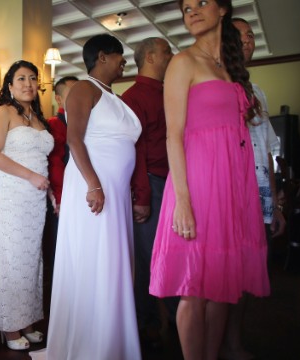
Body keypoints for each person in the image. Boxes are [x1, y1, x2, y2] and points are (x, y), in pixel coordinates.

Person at [149, 1, 271, 360]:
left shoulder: (232, 69)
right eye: (187, 8)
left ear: (222, 10)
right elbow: (173, 135)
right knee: (194, 288)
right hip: (197, 183)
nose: (193, 11)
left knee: (221, 285)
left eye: (201, 3)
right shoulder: (183, 62)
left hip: (232, 184)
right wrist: (183, 202)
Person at [33, 34, 142, 360]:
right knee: (95, 260)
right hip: (93, 188)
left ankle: (112, 340)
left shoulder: (114, 96)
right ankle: (89, 344)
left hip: (116, 192)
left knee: (113, 262)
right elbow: (75, 141)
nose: (123, 62)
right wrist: (94, 184)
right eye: (119, 56)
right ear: (103, 56)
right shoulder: (83, 88)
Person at [218, 17, 285, 360]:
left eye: (250, 35)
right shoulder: (214, 84)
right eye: (240, 34)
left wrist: (275, 201)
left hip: (258, 193)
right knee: (222, 273)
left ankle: (233, 342)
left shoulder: (257, 91)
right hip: (227, 193)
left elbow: (269, 149)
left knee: (246, 273)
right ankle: (212, 344)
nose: (247, 39)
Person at [0, 60, 54, 350]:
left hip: (35, 196)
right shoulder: (4, 112)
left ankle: (26, 320)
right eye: (21, 79)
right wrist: (31, 176)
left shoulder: (38, 117)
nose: (28, 84)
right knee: (11, 258)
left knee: (31, 259)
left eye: (32, 78)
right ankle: (10, 327)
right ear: (10, 86)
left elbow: (45, 161)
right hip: (12, 192)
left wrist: (48, 190)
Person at [120, 37, 174, 348]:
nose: (172, 56)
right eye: (167, 51)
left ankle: (178, 318)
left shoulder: (171, 91)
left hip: (175, 181)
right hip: (151, 182)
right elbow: (135, 151)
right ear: (151, 57)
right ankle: (146, 324)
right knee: (149, 257)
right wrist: (141, 196)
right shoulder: (134, 97)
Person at [47, 76, 78, 216]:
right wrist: (59, 198)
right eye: (72, 93)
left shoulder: (85, 123)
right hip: (64, 194)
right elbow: (55, 165)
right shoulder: (54, 125)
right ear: (58, 99)